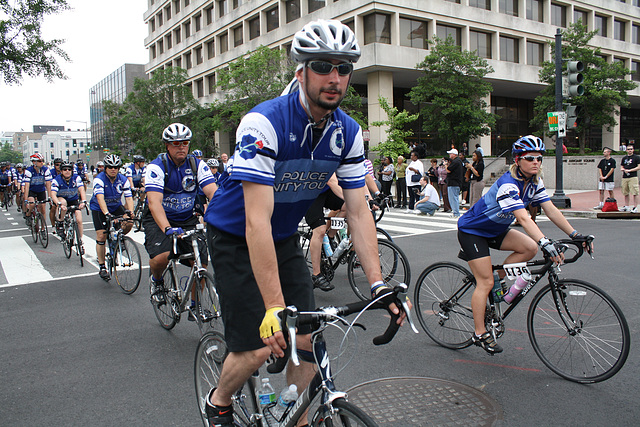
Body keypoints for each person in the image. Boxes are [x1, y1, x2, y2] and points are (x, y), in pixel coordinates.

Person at [202, 20, 407, 427]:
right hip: (235, 235)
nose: (334, 77)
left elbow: (358, 210)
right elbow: (254, 223)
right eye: (322, 66)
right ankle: (219, 401)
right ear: (301, 72)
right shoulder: (264, 124)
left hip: (280, 238)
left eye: (343, 68)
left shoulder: (348, 132)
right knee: (259, 346)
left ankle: (291, 415)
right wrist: (274, 307)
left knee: (307, 337)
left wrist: (378, 283)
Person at [457, 135, 592, 354]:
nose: (536, 162)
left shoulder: (534, 182)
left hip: (496, 230)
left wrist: (576, 234)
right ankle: (479, 333)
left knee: (529, 248)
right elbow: (523, 218)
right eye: (530, 158)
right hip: (473, 231)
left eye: (539, 158)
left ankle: (495, 285)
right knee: (484, 282)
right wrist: (546, 242)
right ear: (517, 160)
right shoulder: (508, 185)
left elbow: (550, 209)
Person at [144, 123, 217, 306]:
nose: (181, 147)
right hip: (161, 219)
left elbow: (213, 193)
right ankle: (157, 281)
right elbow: (154, 203)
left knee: (201, 262)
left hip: (186, 217)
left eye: (184, 143)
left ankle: (195, 304)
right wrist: (167, 228)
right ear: (167, 146)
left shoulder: (197, 165)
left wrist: (223, 218)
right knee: (162, 257)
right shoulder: (157, 167)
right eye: (176, 143)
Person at [90, 154, 134, 280]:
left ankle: (118, 239)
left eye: (116, 167)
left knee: (129, 222)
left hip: (115, 206)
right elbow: (100, 198)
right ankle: (102, 266)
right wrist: (107, 214)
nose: (113, 169)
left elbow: (129, 197)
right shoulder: (99, 179)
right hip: (99, 208)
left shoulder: (123, 179)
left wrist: (130, 211)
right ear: (105, 168)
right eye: (110, 167)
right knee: (101, 235)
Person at [304, 174, 346, 292]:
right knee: (320, 230)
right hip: (310, 193)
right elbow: (332, 181)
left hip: (326, 191)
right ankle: (316, 274)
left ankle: (331, 235)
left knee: (349, 207)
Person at [51, 161, 87, 246]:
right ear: (61, 171)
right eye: (65, 169)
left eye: (69, 169)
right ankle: (60, 222)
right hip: (61, 199)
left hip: (73, 199)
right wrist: (58, 204)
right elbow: (53, 194)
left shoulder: (76, 178)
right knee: (63, 202)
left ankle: (80, 239)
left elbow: (81, 189)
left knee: (79, 219)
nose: (67, 171)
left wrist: (84, 201)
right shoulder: (57, 180)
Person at [23, 153, 52, 223]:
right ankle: (28, 214)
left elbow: (48, 184)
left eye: (42, 160)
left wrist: (50, 197)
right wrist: (26, 200)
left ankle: (43, 228)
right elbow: (26, 186)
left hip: (41, 190)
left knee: (43, 209)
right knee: (32, 204)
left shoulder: (45, 170)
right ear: (34, 162)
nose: (42, 162)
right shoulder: (28, 171)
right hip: (31, 190)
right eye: (39, 161)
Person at [620, 145, 640, 213]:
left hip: (633, 177)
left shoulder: (636, 157)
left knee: (635, 192)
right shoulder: (624, 158)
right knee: (625, 192)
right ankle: (627, 206)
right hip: (625, 177)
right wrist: (624, 169)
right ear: (626, 150)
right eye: (628, 149)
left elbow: (638, 167)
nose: (630, 150)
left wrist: (630, 170)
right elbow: (621, 166)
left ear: (633, 150)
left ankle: (635, 207)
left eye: (631, 149)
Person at [446, 148, 464, 218]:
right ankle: (455, 212)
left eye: (450, 154)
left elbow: (448, 170)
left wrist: (445, 165)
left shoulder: (456, 162)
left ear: (454, 154)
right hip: (455, 182)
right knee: (454, 198)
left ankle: (456, 213)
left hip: (454, 183)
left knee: (453, 198)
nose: (449, 155)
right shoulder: (458, 161)